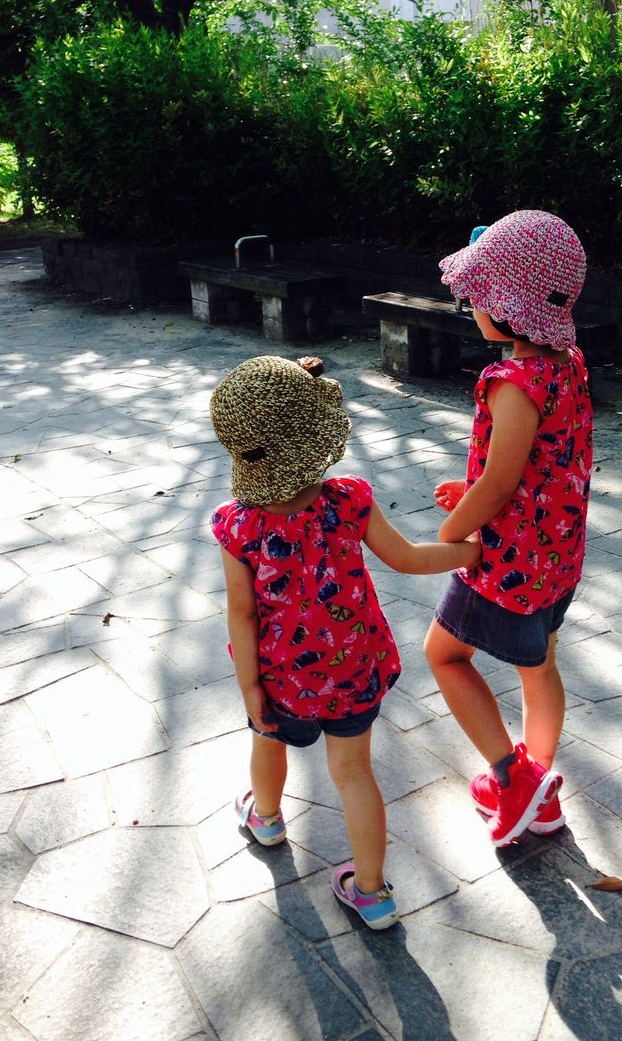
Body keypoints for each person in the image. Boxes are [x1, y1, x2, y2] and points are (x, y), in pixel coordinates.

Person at [209, 354, 480, 930]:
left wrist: (250, 687)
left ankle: (266, 818)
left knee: (268, 743)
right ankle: (372, 893)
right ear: (316, 436)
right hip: (354, 667)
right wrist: (472, 551)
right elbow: (407, 558)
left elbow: (241, 613)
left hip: (280, 677)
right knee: (354, 773)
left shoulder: (238, 525)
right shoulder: (348, 499)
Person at [424, 210, 593, 847]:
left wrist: (453, 529)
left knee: (444, 655)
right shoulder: (568, 365)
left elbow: (499, 485)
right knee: (540, 666)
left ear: (504, 306)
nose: (472, 304)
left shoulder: (513, 383)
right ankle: (539, 786)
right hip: (556, 558)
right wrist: (471, 485)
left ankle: (512, 779)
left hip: (507, 561)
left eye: (479, 293)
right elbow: (538, 463)